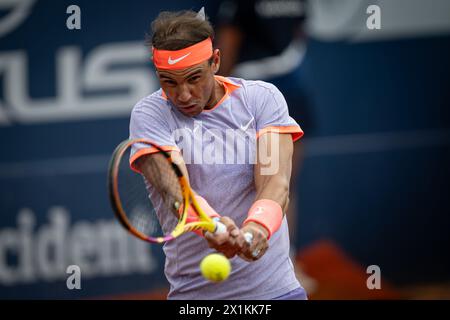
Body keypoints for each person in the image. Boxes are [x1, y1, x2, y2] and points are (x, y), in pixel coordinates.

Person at [129, 8, 307, 300]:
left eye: (194, 78)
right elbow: (175, 193)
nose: (183, 94)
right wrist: (210, 225)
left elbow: (275, 183)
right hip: (196, 298)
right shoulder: (149, 115)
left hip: (278, 293)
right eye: (168, 81)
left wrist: (257, 228)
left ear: (215, 62)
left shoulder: (262, 98)